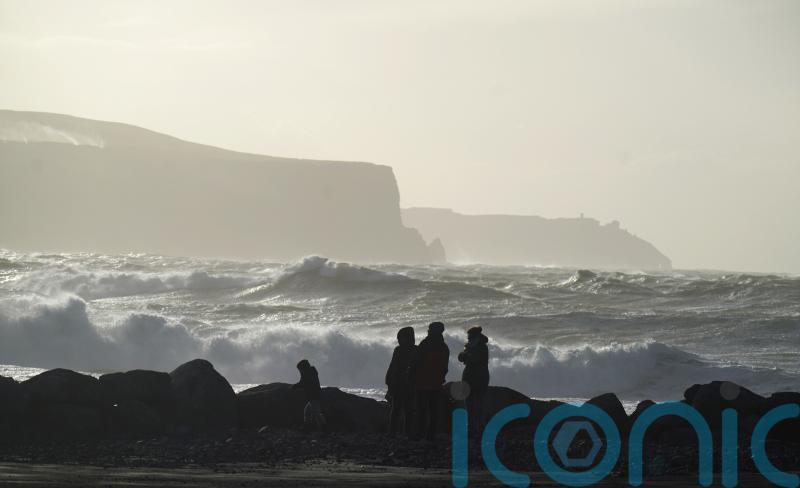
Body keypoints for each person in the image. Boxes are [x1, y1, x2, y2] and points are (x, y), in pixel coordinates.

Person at [412, 321, 450, 441]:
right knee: (433, 411)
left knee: (421, 410)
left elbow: (416, 362)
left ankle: (419, 434)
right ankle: (430, 434)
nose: (428, 330)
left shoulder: (425, 344)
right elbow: (445, 367)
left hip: (422, 383)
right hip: (435, 383)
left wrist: (412, 375)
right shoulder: (443, 347)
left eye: (430, 329)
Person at [385, 326, 416, 437]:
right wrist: (388, 380)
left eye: (401, 338)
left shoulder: (414, 351)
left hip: (408, 385)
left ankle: (406, 432)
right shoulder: (398, 350)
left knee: (407, 409)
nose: (399, 340)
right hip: (397, 384)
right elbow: (393, 366)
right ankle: (393, 432)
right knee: (397, 409)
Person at [458, 326, 489, 436]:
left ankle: (480, 426)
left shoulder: (482, 348)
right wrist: (466, 354)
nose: (469, 340)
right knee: (469, 404)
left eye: (470, 338)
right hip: (470, 378)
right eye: (468, 338)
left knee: (479, 404)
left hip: (480, 379)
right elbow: (461, 357)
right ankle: (471, 427)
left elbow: (472, 359)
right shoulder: (471, 347)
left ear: (476, 337)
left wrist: (467, 354)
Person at [292, 359, 327, 430]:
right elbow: (304, 382)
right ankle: (309, 426)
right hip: (313, 395)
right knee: (307, 411)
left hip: (313, 395)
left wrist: (295, 386)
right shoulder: (311, 372)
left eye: (300, 369)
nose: (300, 371)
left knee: (316, 412)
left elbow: (303, 382)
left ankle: (323, 427)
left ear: (303, 367)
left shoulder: (307, 373)